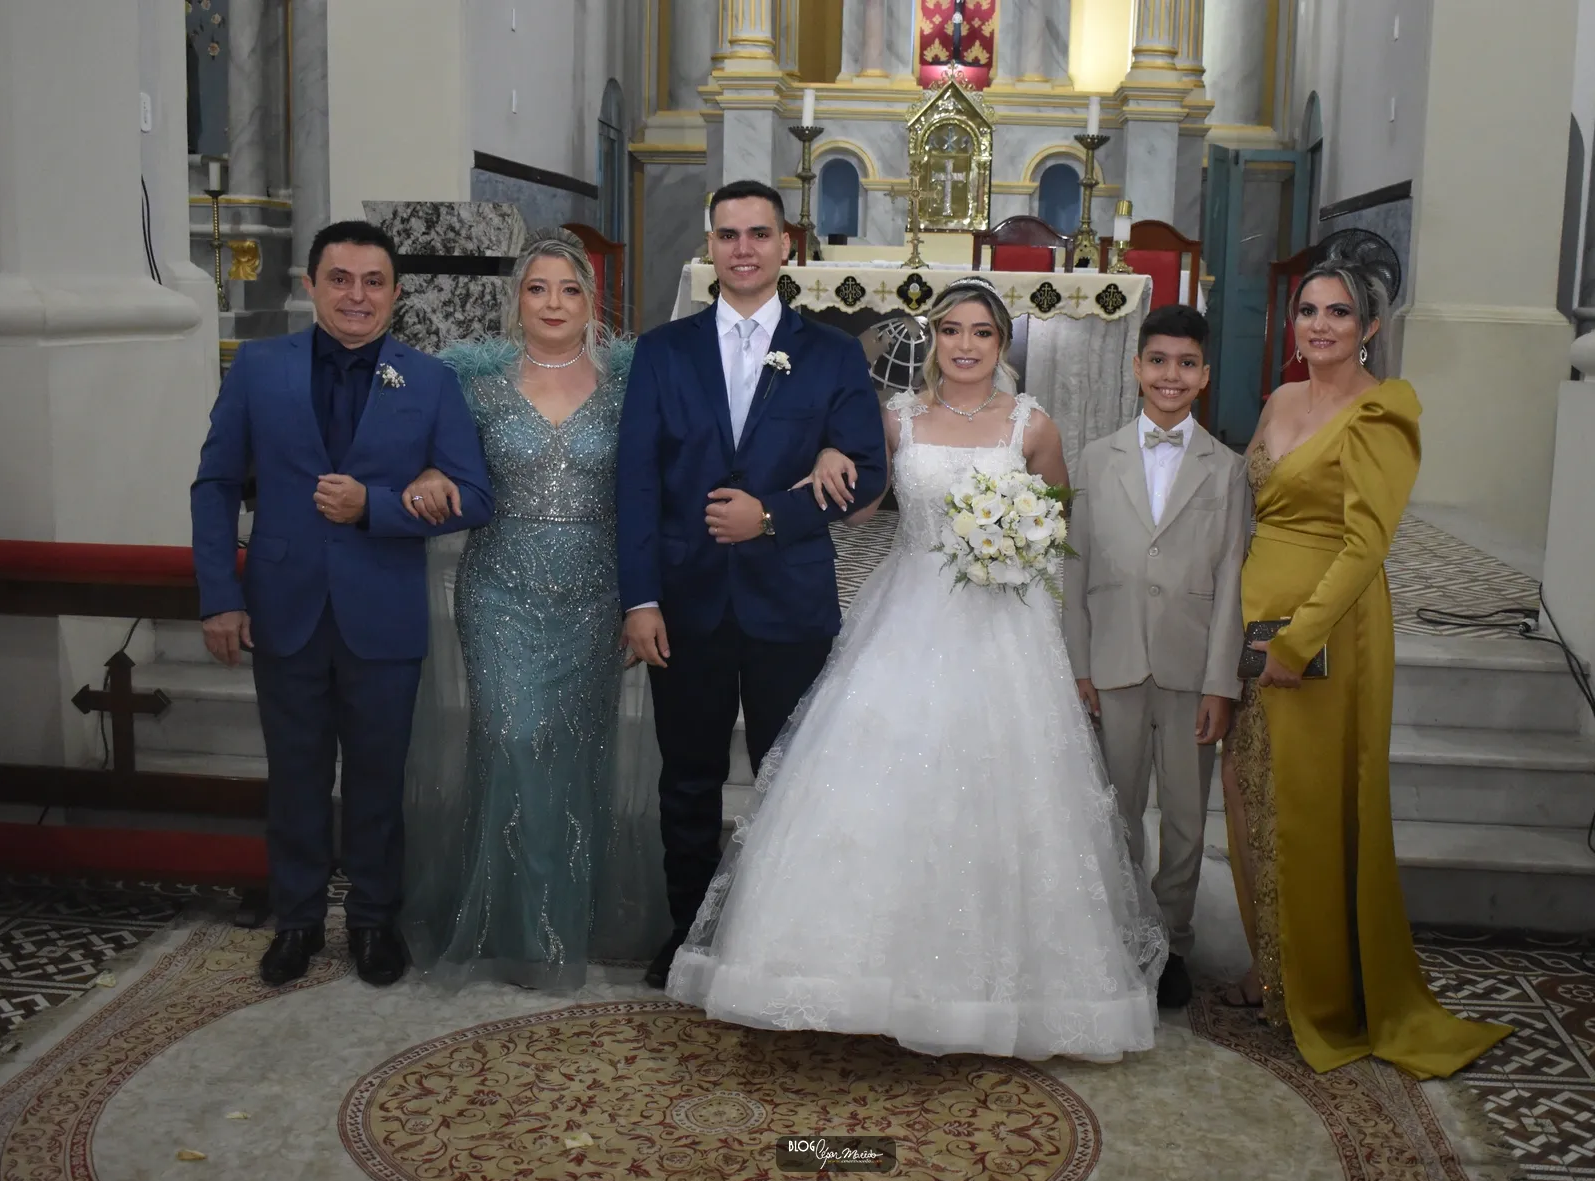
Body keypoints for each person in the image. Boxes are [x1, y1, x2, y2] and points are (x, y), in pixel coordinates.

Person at [666, 277, 1169, 1062]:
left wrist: (1015, 544)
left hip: (1005, 625)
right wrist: (827, 458)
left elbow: (1056, 518)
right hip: (908, 610)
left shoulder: (1033, 425)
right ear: (934, 340)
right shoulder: (896, 418)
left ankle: (999, 990)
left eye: (982, 333)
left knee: (1007, 791)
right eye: (951, 331)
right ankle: (847, 980)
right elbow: (860, 501)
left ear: (1002, 344)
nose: (965, 346)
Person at [1220, 260, 1511, 1076]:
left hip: (1328, 630)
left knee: (1309, 804)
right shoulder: (1280, 401)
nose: (1320, 325)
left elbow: (1365, 545)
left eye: (1339, 312)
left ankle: (1320, 994)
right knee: (1249, 789)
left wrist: (1295, 641)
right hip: (1252, 621)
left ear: (1370, 327)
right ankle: (1270, 968)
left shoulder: (1383, 412)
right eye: (1309, 310)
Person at [190, 221, 494, 988]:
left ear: (396, 293)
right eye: (340, 279)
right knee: (294, 776)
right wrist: (220, 595)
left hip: (381, 610)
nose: (357, 296)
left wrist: (376, 507)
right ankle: (295, 921)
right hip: (283, 604)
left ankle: (371, 921)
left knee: (376, 780)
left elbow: (474, 495)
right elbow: (216, 483)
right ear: (311, 285)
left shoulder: (430, 381)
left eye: (373, 282)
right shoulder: (259, 368)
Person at [617, 180, 890, 992]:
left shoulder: (832, 353)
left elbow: (868, 470)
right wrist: (640, 599)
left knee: (790, 779)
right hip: (685, 599)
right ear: (709, 245)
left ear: (785, 246)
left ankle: (775, 939)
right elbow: (636, 483)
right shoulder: (663, 352)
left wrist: (770, 516)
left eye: (759, 234)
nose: (743, 249)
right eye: (728, 234)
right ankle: (688, 935)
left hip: (789, 601)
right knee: (688, 780)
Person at [393, 229, 654, 989]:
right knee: (510, 738)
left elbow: (653, 482)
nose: (553, 304)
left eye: (569, 290)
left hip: (595, 590)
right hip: (500, 589)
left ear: (591, 301)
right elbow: (432, 453)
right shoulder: (472, 383)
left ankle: (559, 924)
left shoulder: (629, 384)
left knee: (572, 752)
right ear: (518, 299)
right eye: (538, 289)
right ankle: (503, 923)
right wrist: (431, 474)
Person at [1063, 303, 1248, 1010]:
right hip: (1112, 661)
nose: (1172, 375)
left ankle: (1173, 938)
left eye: (1187, 364)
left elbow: (1232, 578)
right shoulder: (1096, 457)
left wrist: (1221, 682)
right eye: (1159, 361)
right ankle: (1122, 932)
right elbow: (1075, 568)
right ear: (1138, 367)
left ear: (1204, 375)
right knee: (1116, 807)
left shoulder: (1227, 470)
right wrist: (1079, 664)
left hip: (1189, 666)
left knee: (1184, 816)